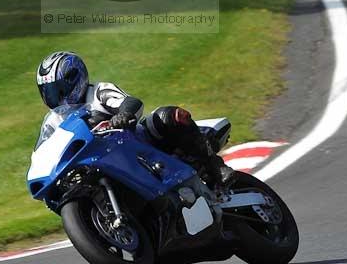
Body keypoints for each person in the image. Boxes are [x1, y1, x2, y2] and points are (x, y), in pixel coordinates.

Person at [36, 51, 233, 189]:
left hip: (136, 143)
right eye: (49, 92)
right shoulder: (53, 121)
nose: (55, 97)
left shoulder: (97, 93)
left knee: (167, 116)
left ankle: (214, 166)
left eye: (58, 90)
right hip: (96, 164)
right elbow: (42, 153)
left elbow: (131, 102)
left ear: (74, 79)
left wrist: (124, 115)